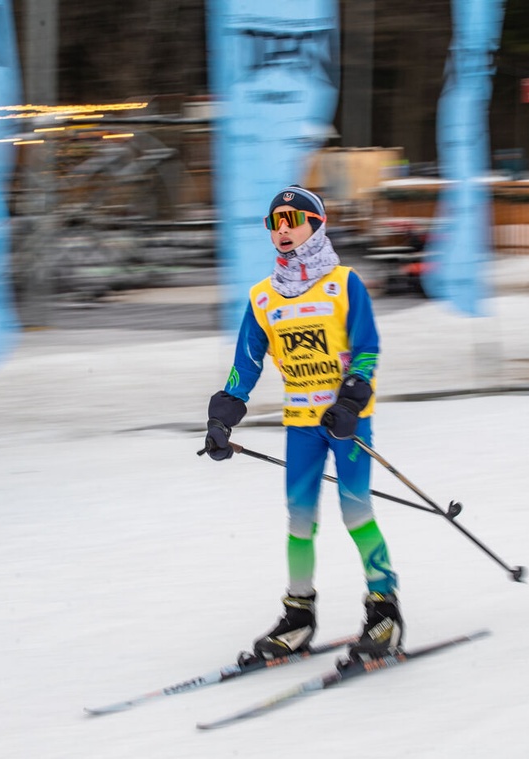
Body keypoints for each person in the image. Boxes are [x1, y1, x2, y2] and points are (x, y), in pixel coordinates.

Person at [202, 185, 403, 661]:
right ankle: (298, 616)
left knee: (356, 513)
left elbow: (368, 348)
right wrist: (221, 417)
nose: (284, 229)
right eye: (275, 222)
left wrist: (352, 400)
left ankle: (385, 612)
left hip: (347, 424)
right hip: (301, 425)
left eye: (293, 219)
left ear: (316, 224)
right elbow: (244, 366)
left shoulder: (344, 284)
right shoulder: (264, 297)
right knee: (299, 520)